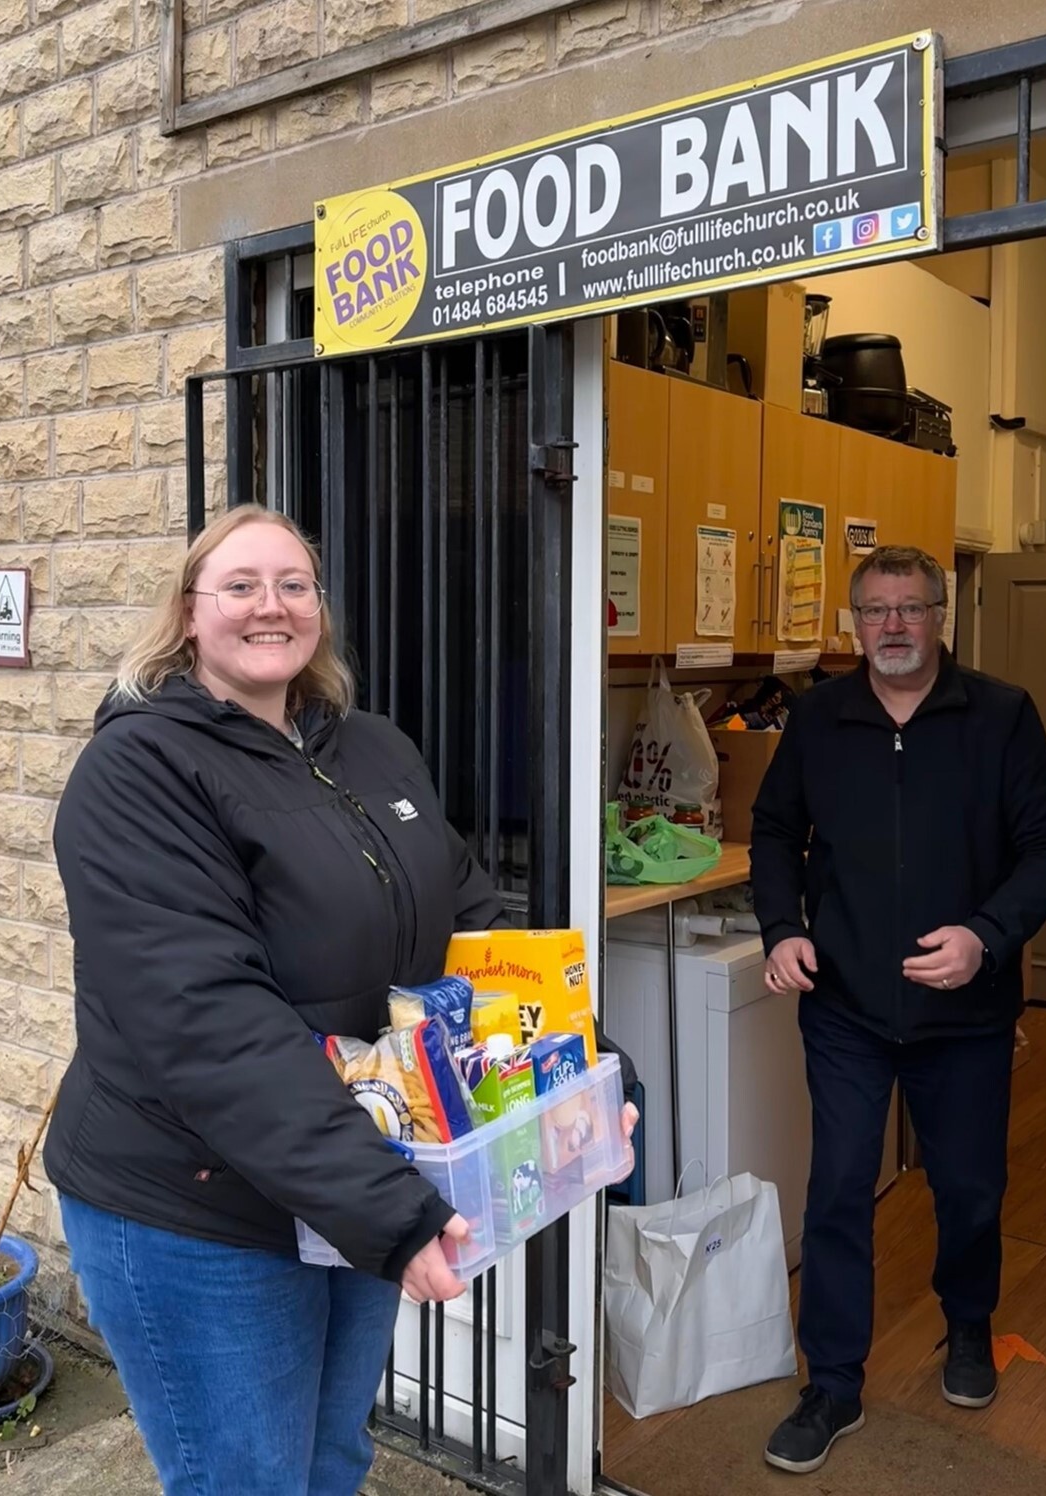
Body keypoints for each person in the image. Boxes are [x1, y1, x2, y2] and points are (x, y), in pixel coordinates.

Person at [44, 504, 636, 1496]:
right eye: (239, 585)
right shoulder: (138, 770)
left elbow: (471, 929)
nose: (268, 605)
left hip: (352, 1181)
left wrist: (572, 1069)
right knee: (249, 1480)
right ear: (188, 614)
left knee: (329, 1459)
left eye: (293, 584)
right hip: (200, 1210)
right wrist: (392, 1214)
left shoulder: (368, 745)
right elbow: (209, 1021)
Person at [749, 545, 1046, 1476]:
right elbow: (775, 831)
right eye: (875, 610)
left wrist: (987, 935)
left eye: (911, 607)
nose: (893, 625)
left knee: (969, 1189)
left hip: (966, 1011)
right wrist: (781, 927)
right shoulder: (820, 717)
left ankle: (967, 1325)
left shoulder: (1000, 716)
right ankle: (834, 1384)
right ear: (853, 624)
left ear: (941, 616)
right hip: (847, 1007)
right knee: (839, 1190)